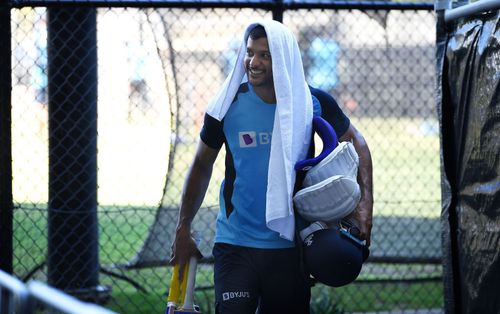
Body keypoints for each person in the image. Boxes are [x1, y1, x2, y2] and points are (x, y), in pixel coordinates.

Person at [170, 20, 373, 314]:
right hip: (235, 243)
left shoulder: (311, 101)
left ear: (284, 57)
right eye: (250, 52)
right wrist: (183, 227)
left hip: (290, 247)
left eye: (265, 55)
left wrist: (365, 206)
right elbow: (202, 164)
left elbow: (358, 144)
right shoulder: (227, 105)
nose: (254, 62)